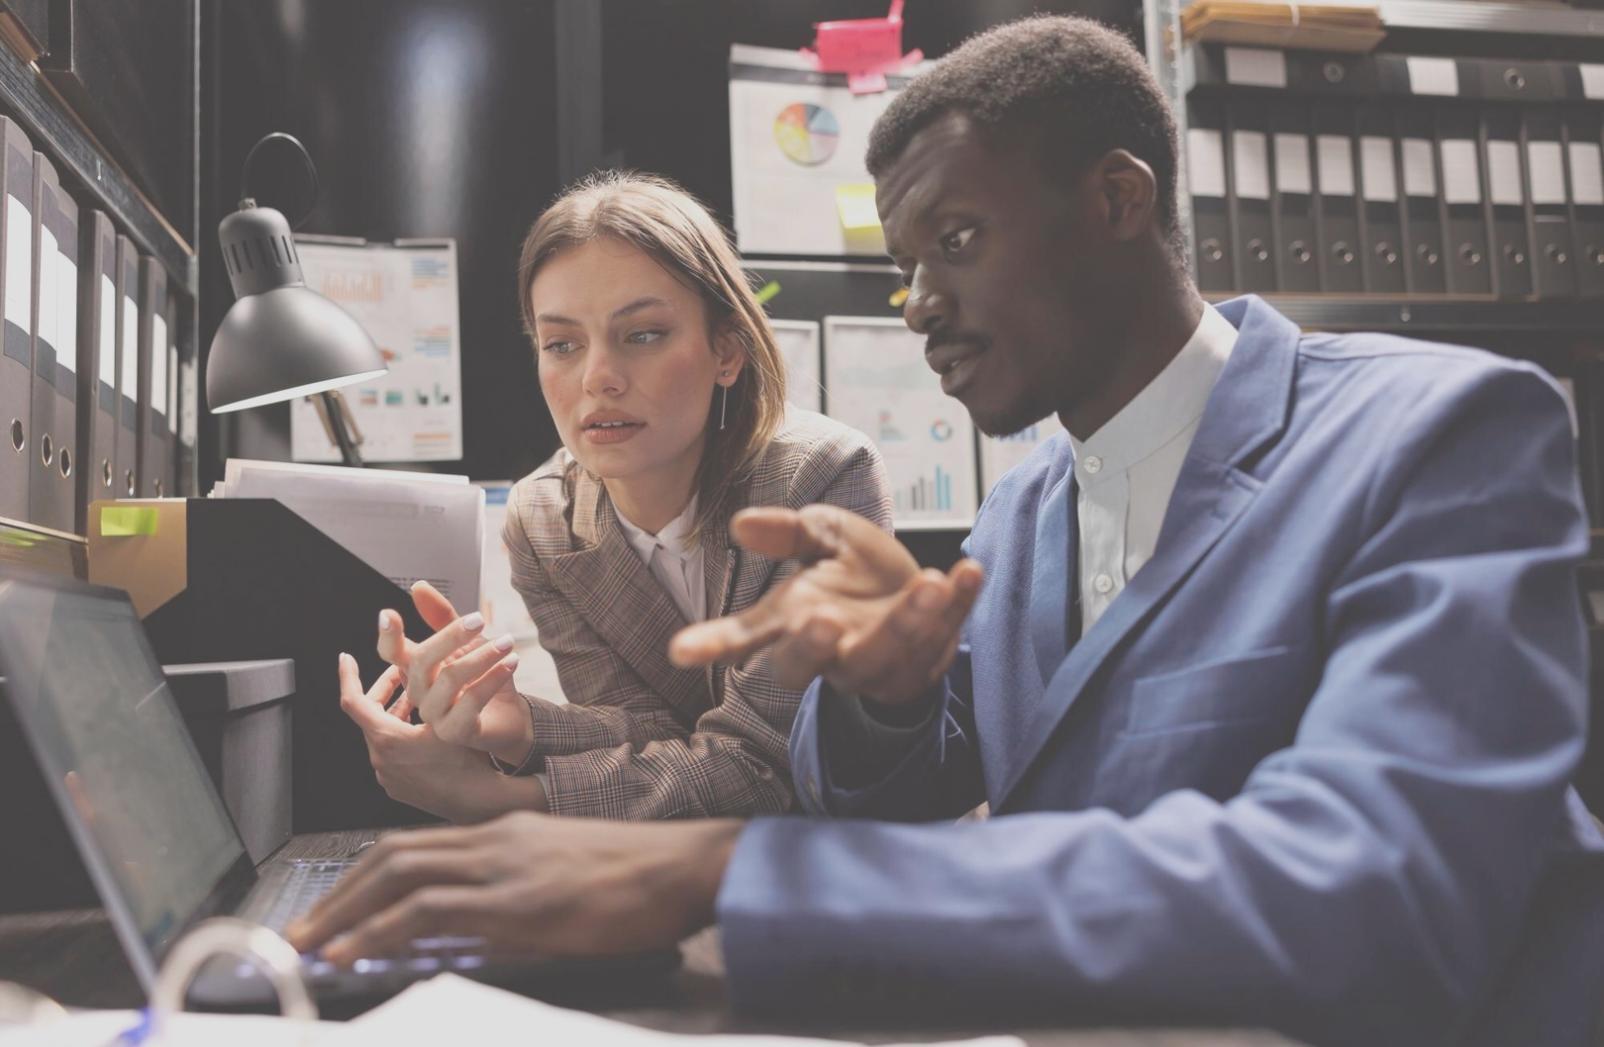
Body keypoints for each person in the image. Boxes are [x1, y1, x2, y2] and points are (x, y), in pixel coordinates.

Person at [291, 17, 1604, 1045]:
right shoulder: (1029, 502)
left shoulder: (1440, 432)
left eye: (957, 241)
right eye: (904, 265)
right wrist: (884, 699)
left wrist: (720, 871)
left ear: (1117, 201)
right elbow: (909, 782)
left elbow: (1371, 889)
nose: (918, 303)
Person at [336, 171, 891, 823]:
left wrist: (509, 800)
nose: (597, 377)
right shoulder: (543, 521)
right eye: (562, 345)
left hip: (847, 851)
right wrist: (516, 725)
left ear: (727, 351)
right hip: (677, 858)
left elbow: (765, 767)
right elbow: (647, 733)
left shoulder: (820, 478)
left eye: (643, 334)